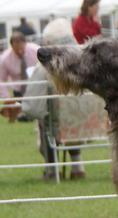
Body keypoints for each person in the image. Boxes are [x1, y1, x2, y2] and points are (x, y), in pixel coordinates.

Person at [21, 19, 86, 180]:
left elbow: (32, 107)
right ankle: (77, 166)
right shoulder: (88, 59)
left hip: (60, 125)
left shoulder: (45, 66)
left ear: (49, 42)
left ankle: (51, 169)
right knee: (71, 116)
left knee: (45, 121)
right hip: (91, 124)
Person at [0, 31, 40, 122]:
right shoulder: (5, 59)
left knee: (37, 114)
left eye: (21, 48)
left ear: (25, 43)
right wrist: (7, 98)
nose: (19, 51)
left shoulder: (36, 51)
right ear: (11, 47)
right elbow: (1, 79)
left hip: (37, 89)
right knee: (23, 118)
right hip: (19, 93)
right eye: (16, 50)